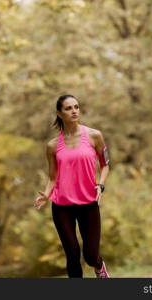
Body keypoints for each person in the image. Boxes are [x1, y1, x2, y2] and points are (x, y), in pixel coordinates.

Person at [34, 94, 111, 278]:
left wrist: (100, 186)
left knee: (91, 256)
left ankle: (99, 266)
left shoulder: (94, 135)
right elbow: (53, 177)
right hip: (62, 206)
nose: (74, 111)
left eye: (76, 107)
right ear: (59, 113)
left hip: (89, 203)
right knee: (72, 254)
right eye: (68, 108)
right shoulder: (52, 146)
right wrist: (46, 194)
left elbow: (105, 165)